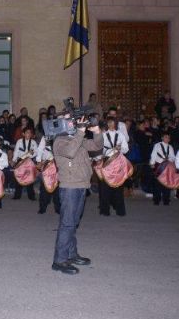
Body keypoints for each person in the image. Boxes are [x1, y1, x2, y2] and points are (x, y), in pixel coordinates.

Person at [52, 116, 103, 275]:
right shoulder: (59, 140)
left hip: (82, 185)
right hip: (69, 187)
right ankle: (59, 260)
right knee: (67, 223)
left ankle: (71, 254)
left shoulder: (76, 138)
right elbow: (70, 152)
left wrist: (96, 132)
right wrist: (80, 132)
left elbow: (96, 146)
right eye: (69, 121)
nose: (73, 123)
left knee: (73, 223)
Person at [99, 116, 129, 216]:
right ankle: (104, 210)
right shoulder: (103, 135)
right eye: (109, 123)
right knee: (105, 187)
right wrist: (109, 150)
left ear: (115, 124)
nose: (111, 124)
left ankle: (120, 210)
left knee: (119, 186)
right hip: (107, 161)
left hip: (117, 162)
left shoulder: (120, 135)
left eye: (112, 122)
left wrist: (120, 148)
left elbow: (126, 149)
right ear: (107, 124)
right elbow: (100, 149)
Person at [149, 130, 176, 206]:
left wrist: (169, 160)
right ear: (162, 138)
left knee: (166, 182)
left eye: (168, 138)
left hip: (167, 166)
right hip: (159, 165)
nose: (167, 139)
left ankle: (166, 199)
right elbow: (153, 154)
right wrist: (152, 163)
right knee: (157, 183)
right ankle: (156, 199)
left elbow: (173, 157)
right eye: (165, 137)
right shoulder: (157, 145)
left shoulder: (170, 147)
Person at [36, 135, 61, 214]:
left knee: (58, 188)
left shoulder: (62, 135)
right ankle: (42, 207)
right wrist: (39, 161)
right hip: (47, 165)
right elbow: (40, 149)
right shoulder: (45, 136)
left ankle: (58, 208)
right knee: (44, 187)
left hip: (58, 165)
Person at [11, 127, 37, 201]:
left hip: (29, 161)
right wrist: (13, 160)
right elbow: (16, 151)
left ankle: (31, 196)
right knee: (19, 177)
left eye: (30, 133)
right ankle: (17, 195)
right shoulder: (19, 141)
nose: (29, 134)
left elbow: (36, 152)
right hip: (20, 161)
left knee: (30, 178)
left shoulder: (33, 142)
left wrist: (32, 154)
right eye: (27, 132)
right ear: (23, 134)